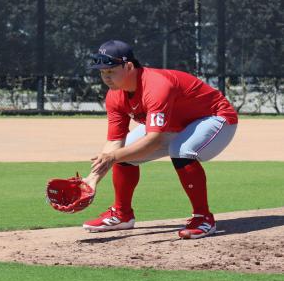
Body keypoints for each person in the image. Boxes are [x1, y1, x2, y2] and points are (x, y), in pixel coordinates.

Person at [82, 40, 238, 239]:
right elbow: (115, 143)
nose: (106, 77)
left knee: (180, 150)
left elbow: (154, 140)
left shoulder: (156, 86)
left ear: (128, 66)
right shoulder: (115, 96)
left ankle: (203, 217)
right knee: (126, 151)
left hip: (216, 118)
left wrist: (113, 156)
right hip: (175, 124)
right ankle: (122, 214)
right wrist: (92, 180)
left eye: (111, 71)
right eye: (102, 72)